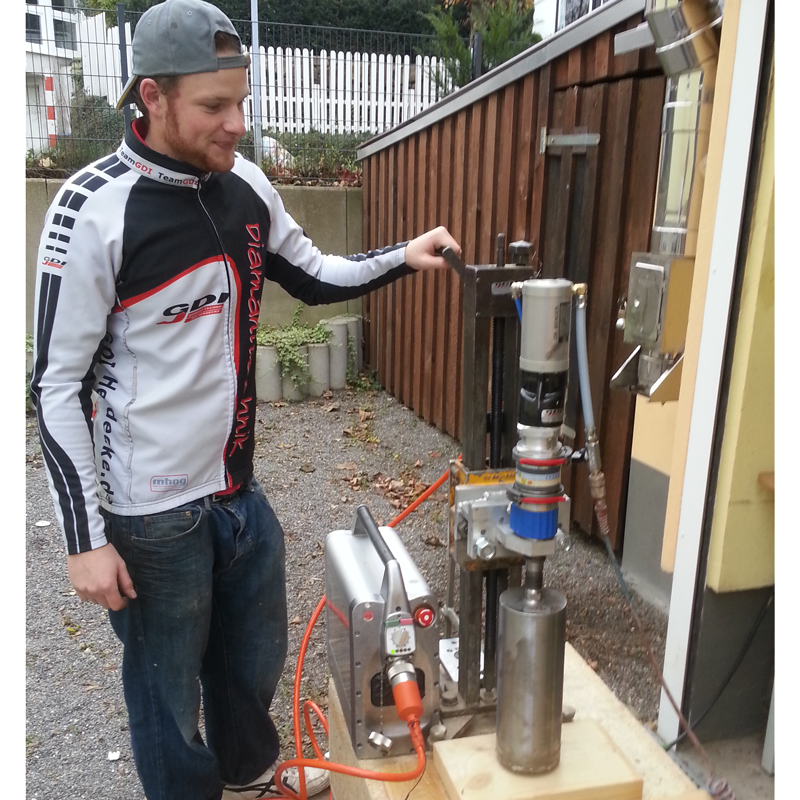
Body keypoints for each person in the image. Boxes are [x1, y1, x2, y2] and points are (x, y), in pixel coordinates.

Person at [29, 1, 461, 798]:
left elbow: (315, 274)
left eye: (242, 101)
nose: (238, 124)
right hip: (150, 516)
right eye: (214, 106)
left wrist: (405, 254)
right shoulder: (92, 208)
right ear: (152, 97)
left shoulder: (247, 185)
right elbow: (55, 385)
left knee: (249, 669)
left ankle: (251, 780)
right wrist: (85, 539)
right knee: (167, 702)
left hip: (237, 492)